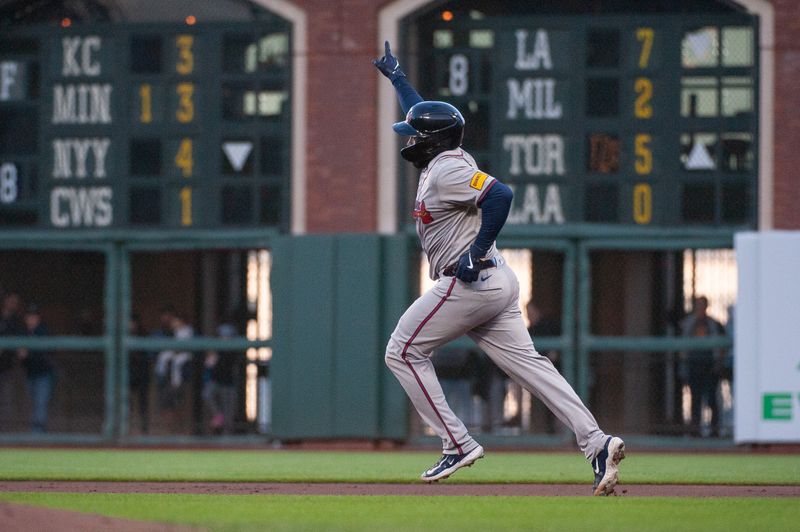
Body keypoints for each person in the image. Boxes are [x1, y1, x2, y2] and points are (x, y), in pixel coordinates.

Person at [374, 41, 624, 495]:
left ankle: (457, 443)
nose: (408, 140)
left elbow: (501, 195)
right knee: (532, 367)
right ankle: (597, 443)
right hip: (496, 282)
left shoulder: (447, 170)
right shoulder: (448, 158)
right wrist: (398, 80)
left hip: (470, 280)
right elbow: (424, 118)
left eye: (414, 135)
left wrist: (476, 248)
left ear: (431, 142)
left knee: (402, 351)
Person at [679, 296, 725, 437]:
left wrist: (718, 363)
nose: (699, 308)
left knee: (712, 400)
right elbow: (682, 346)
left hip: (710, 368)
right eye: (697, 305)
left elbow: (722, 346)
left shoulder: (714, 324)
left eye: (702, 305)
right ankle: (695, 432)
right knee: (695, 401)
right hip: (694, 367)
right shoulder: (688, 324)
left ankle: (714, 432)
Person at [18, 304, 56, 433]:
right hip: (30, 374)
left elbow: (46, 354)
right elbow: (21, 356)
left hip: (44, 374)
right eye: (29, 316)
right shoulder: (23, 332)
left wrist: (28, 353)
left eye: (34, 316)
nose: (31, 319)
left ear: (38, 318)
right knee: (34, 404)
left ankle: (37, 435)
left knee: (40, 404)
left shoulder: (43, 331)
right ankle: (37, 433)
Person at [202, 323, 240, 434]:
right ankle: (218, 415)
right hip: (216, 381)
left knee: (229, 414)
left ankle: (227, 439)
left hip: (229, 384)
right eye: (222, 336)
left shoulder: (234, 350)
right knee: (207, 394)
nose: (224, 338)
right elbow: (209, 364)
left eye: (227, 336)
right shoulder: (216, 349)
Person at [0, 293, 25, 426]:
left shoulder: (17, 321)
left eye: (16, 302)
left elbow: (21, 344)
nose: (13, 304)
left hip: (7, 367)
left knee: (6, 400)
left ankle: (5, 431)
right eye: (11, 301)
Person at [128, 314, 152, 434]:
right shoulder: (124, 336)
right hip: (129, 374)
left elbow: (148, 355)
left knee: (143, 404)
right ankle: (127, 427)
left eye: (132, 322)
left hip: (142, 373)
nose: (131, 325)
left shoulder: (143, 335)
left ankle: (144, 429)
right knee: (127, 402)